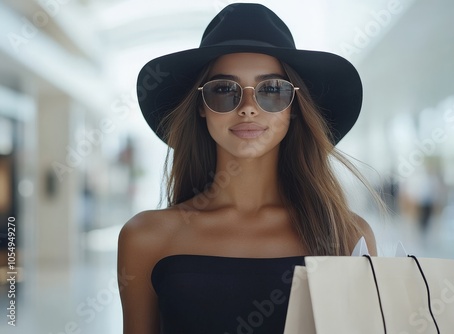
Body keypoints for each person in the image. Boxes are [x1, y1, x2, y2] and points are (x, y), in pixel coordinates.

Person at [118, 3, 378, 333]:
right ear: (201, 106)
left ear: (294, 108)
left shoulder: (347, 236)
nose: (248, 108)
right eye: (225, 89)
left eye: (272, 90)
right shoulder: (146, 238)